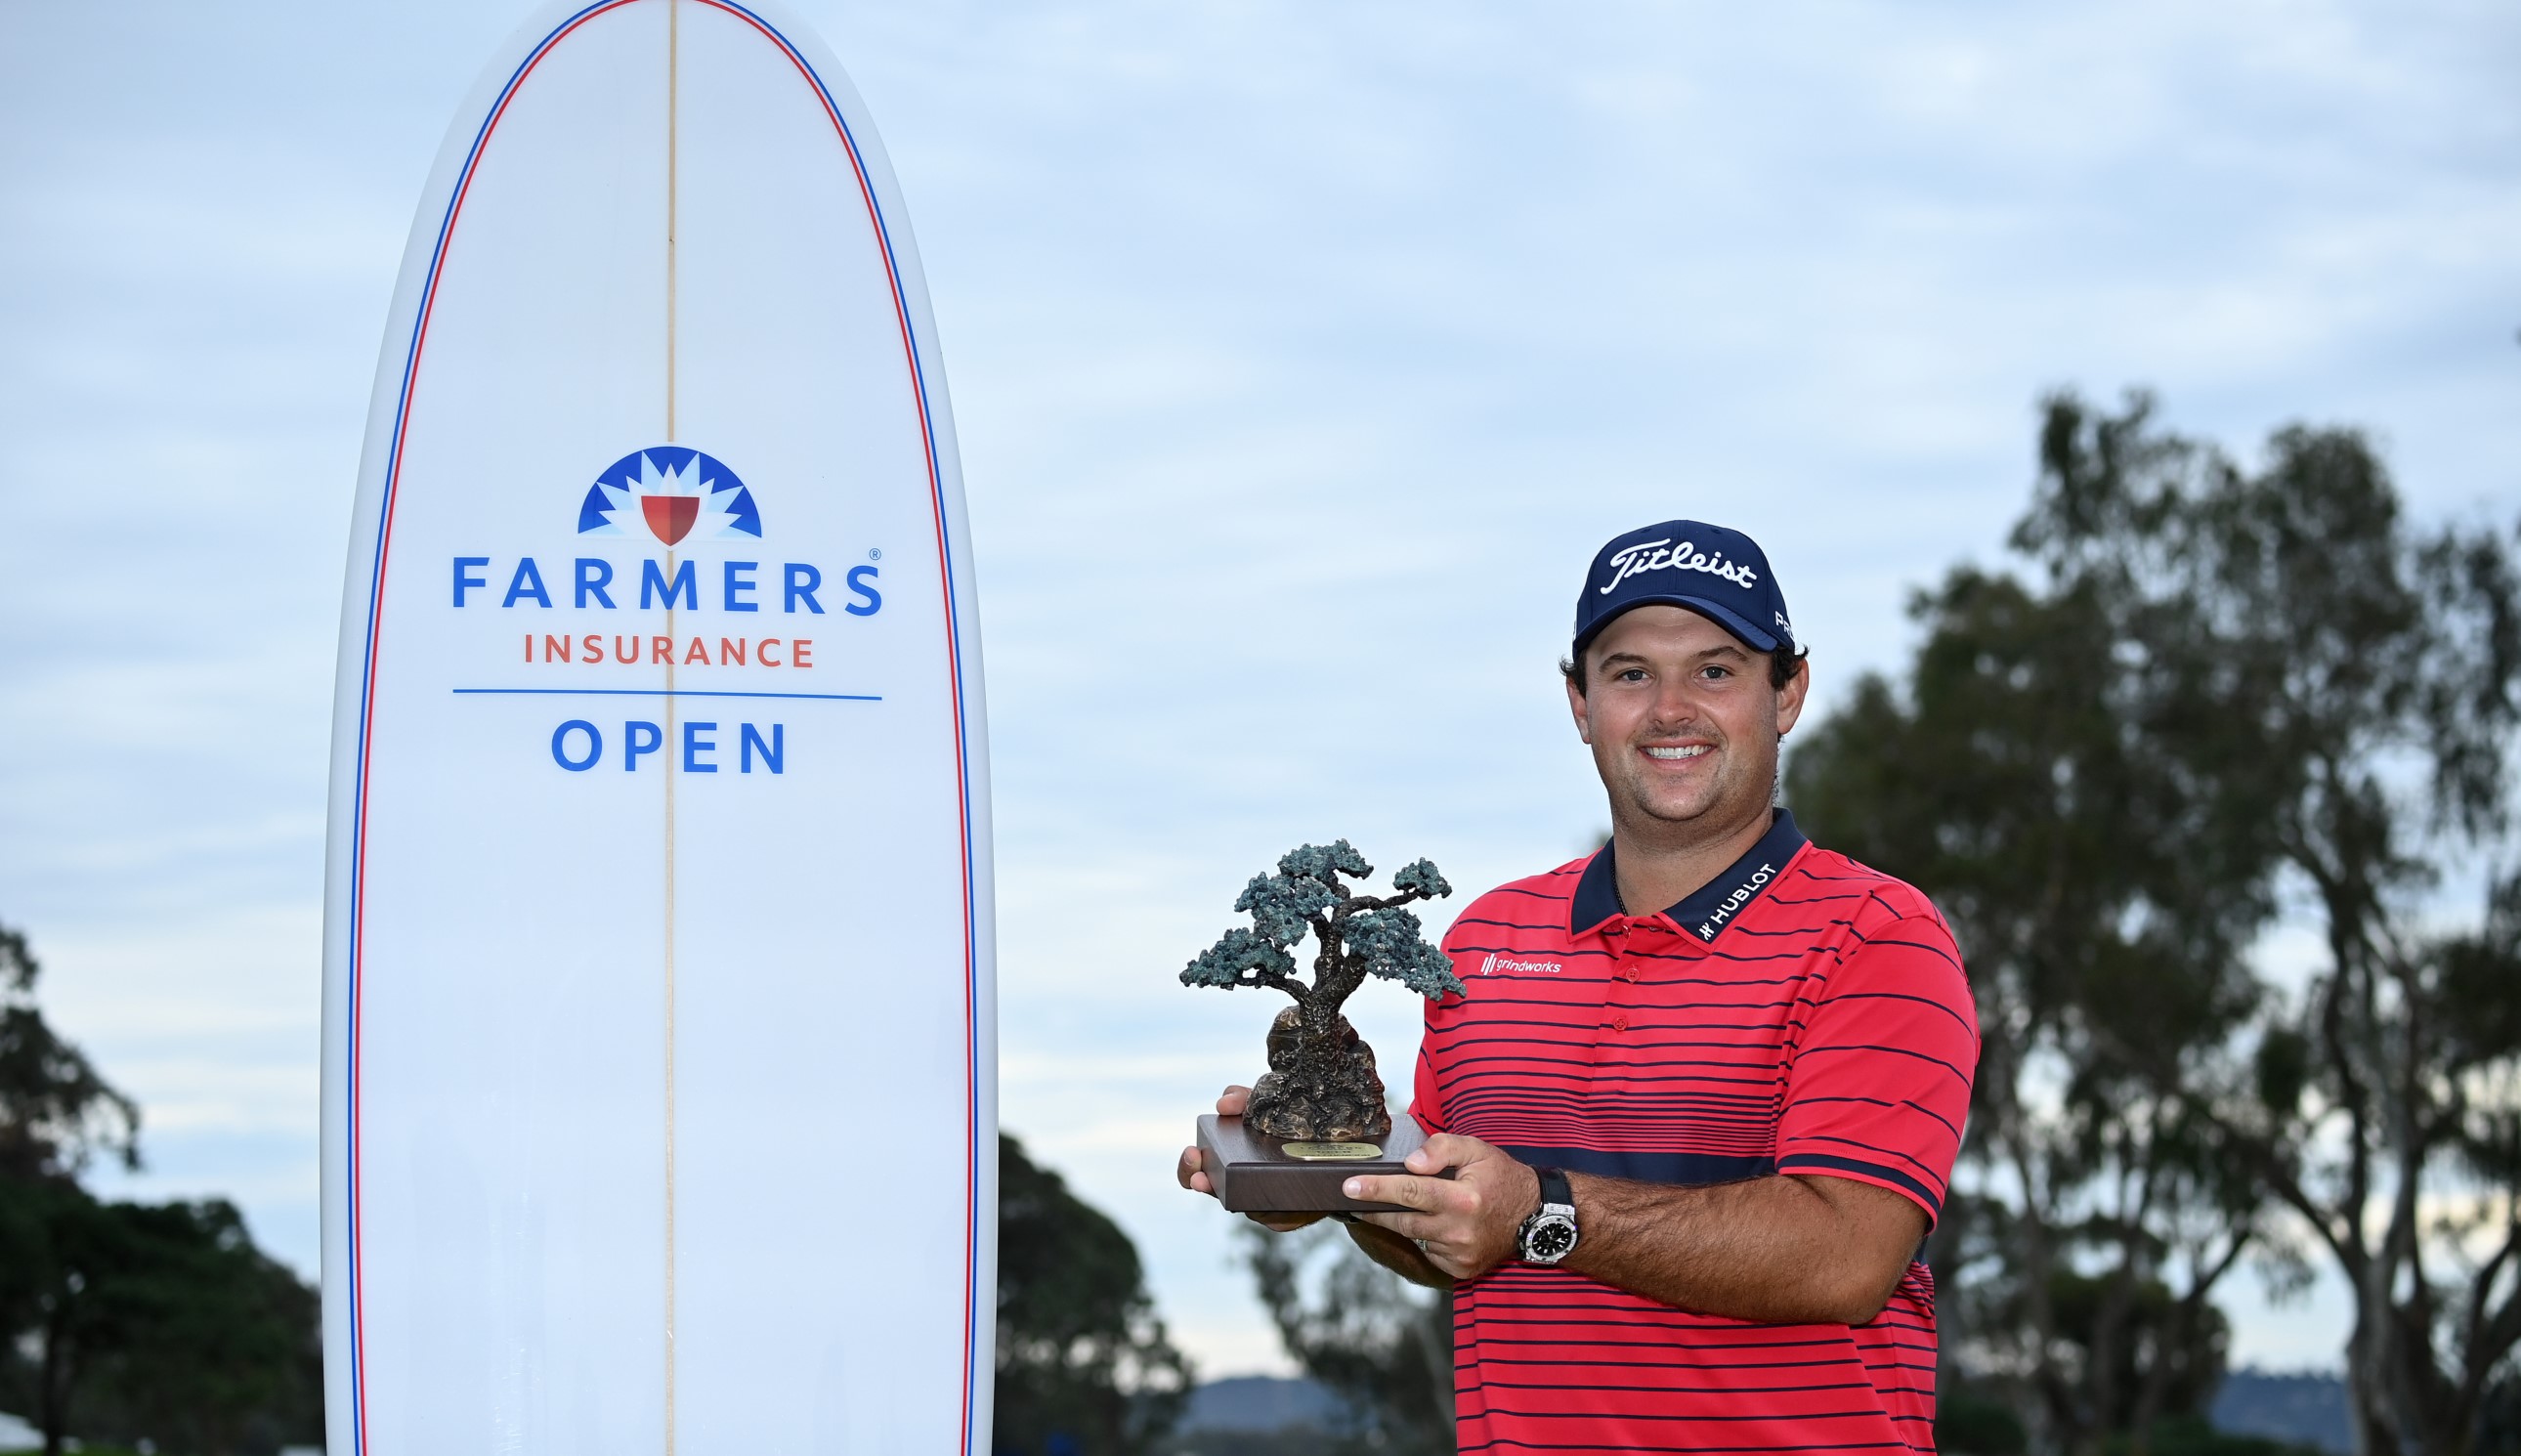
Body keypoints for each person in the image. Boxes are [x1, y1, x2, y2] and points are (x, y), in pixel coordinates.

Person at [1179, 519, 1979, 1453]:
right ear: (1579, 700)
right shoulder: (1483, 941)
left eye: (1716, 671)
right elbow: (1459, 1232)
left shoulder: (1878, 937)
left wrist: (1544, 1211)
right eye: (1631, 672)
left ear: (1788, 691)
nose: (1671, 708)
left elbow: (1848, 1256)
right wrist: (1336, 1184)